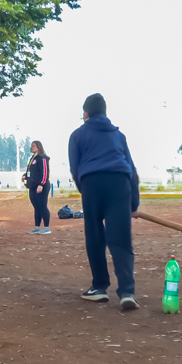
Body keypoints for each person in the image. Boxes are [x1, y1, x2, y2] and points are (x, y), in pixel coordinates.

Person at [68, 93, 141, 311]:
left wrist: (85, 190)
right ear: (105, 112)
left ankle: (99, 287)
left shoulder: (77, 135)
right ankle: (127, 292)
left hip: (92, 183)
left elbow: (75, 168)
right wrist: (133, 204)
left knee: (94, 234)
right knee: (121, 239)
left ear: (86, 113)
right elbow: (131, 169)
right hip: (120, 183)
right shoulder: (119, 136)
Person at [23, 140, 52, 234]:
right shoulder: (32, 158)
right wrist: (25, 176)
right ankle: (37, 226)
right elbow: (30, 171)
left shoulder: (42, 158)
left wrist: (41, 184)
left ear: (38, 147)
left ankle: (47, 227)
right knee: (36, 206)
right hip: (32, 185)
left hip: (41, 186)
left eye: (33, 146)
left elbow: (45, 172)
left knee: (42, 206)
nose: (31, 147)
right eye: (31, 145)